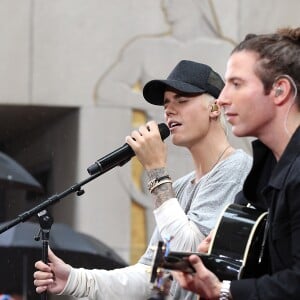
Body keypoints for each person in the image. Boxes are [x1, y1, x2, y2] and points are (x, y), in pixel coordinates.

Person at [33, 60, 252, 299]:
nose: (169, 110)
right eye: (166, 103)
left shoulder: (236, 169)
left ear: (215, 108)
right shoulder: (177, 189)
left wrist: (156, 171)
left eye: (182, 100)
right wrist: (75, 279)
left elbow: (189, 255)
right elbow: (156, 276)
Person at [173, 27, 300, 300]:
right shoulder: (265, 173)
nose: (222, 98)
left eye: (237, 84)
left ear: (280, 90)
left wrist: (226, 290)